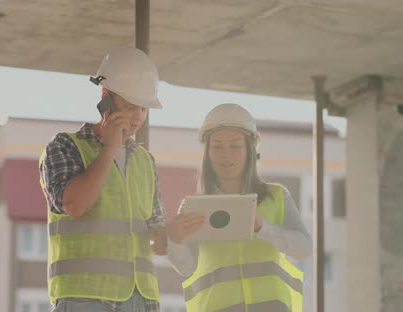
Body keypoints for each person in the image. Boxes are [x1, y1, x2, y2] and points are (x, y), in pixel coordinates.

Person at [39, 47, 168, 312]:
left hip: (142, 300)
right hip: (85, 299)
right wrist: (109, 148)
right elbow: (75, 205)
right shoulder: (65, 146)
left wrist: (177, 233)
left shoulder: (145, 161)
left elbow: (156, 237)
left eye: (143, 109)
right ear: (105, 98)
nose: (138, 118)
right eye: (131, 106)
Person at [166, 103, 312, 312]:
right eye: (217, 146)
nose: (226, 155)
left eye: (235, 146)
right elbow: (186, 268)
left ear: (250, 150)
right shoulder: (192, 207)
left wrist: (263, 228)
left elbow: (304, 248)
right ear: (207, 153)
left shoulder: (276, 197)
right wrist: (175, 241)